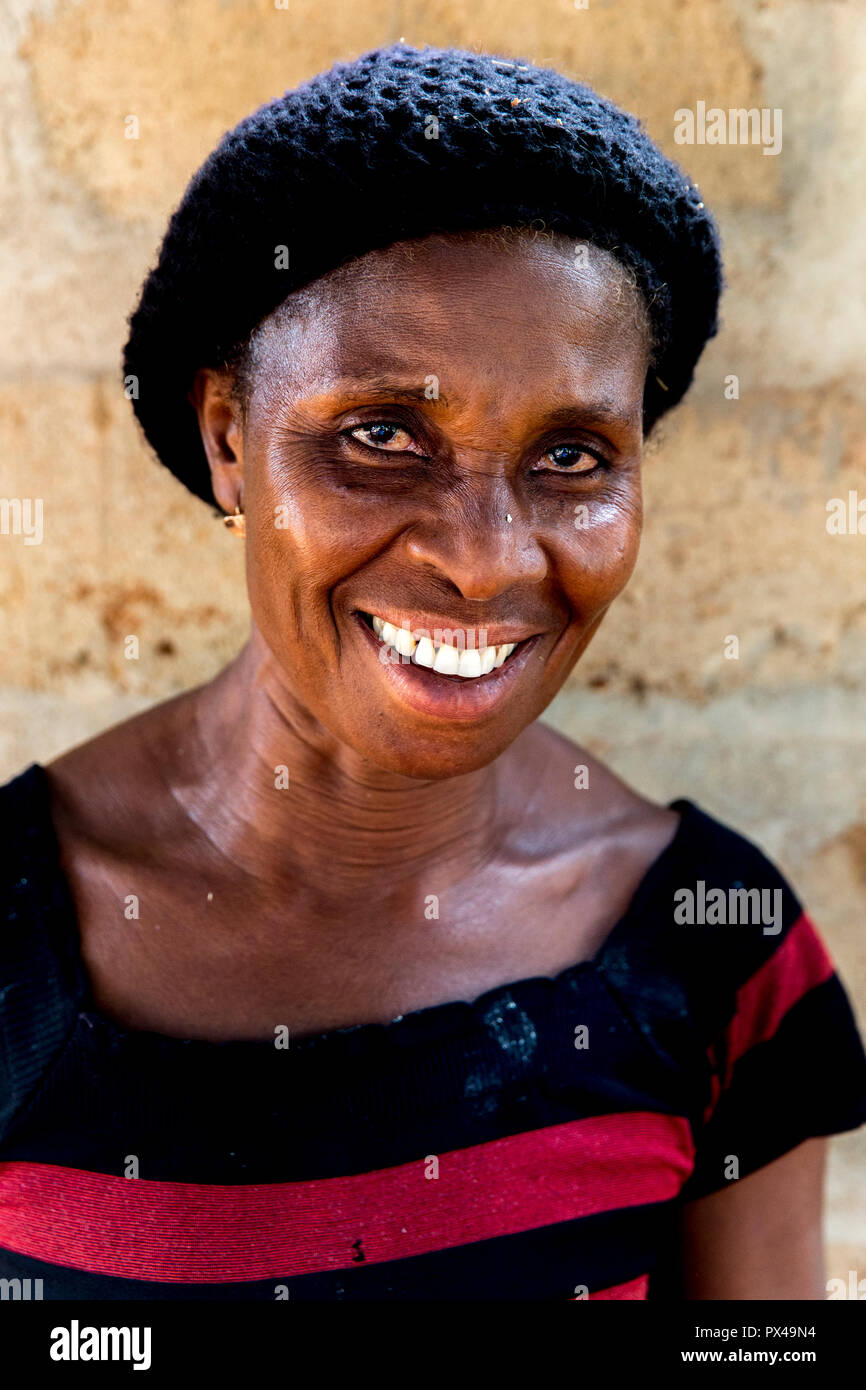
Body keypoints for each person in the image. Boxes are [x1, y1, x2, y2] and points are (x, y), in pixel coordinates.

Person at [1, 42, 864, 1301]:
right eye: (381, 435)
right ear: (230, 442)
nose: (481, 560)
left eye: (570, 457)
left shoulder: (712, 954)